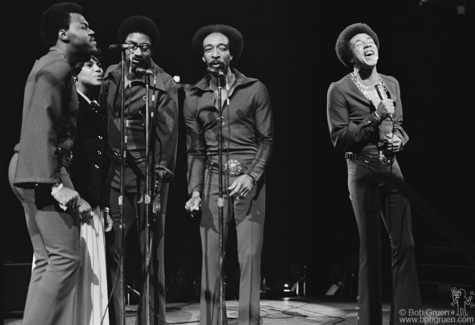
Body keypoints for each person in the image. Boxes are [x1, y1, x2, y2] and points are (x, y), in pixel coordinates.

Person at [326, 23, 422, 324]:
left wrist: (399, 139)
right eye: (359, 44)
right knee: (371, 247)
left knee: (405, 244)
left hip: (391, 166)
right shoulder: (339, 89)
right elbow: (340, 139)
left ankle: (405, 318)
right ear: (349, 56)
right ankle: (369, 320)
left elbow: (401, 125)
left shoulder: (391, 82)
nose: (368, 45)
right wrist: (376, 115)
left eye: (371, 41)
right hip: (362, 167)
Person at [7, 2, 97, 324]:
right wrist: (55, 185)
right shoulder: (54, 68)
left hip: (29, 166)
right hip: (41, 168)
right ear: (64, 34)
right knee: (65, 259)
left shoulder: (54, 66)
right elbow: (37, 126)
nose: (91, 31)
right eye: (83, 26)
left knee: (47, 260)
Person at [184, 24, 273, 325]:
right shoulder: (194, 97)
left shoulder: (254, 89)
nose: (215, 54)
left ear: (231, 54)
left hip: (248, 180)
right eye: (208, 49)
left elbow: (267, 139)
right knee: (211, 260)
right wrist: (194, 191)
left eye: (221, 48)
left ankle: (250, 321)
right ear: (203, 58)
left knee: (248, 258)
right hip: (211, 179)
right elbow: (195, 151)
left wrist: (251, 176)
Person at [100, 15, 178, 325]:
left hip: (150, 177)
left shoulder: (164, 82)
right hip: (116, 174)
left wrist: (158, 175)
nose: (137, 51)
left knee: (151, 254)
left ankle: (151, 321)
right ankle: (115, 320)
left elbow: (169, 134)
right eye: (131, 45)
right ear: (122, 46)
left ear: (151, 50)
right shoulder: (110, 75)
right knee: (112, 251)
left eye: (143, 47)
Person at [70, 51, 112, 324]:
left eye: (99, 64)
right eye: (90, 65)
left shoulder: (96, 107)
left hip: (93, 202)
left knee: (94, 272)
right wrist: (76, 195)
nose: (98, 69)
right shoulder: (70, 106)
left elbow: (103, 161)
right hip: (75, 202)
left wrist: (104, 204)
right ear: (74, 73)